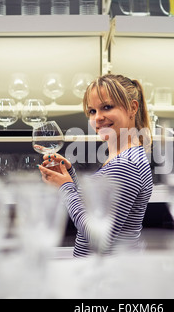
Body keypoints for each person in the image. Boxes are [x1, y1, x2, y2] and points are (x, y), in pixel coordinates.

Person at [37, 74, 154, 258]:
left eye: (107, 107)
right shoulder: (124, 158)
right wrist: (70, 177)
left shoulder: (126, 165)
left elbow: (98, 237)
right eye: (92, 111)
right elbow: (97, 210)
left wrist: (65, 187)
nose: (97, 118)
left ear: (132, 108)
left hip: (109, 277)